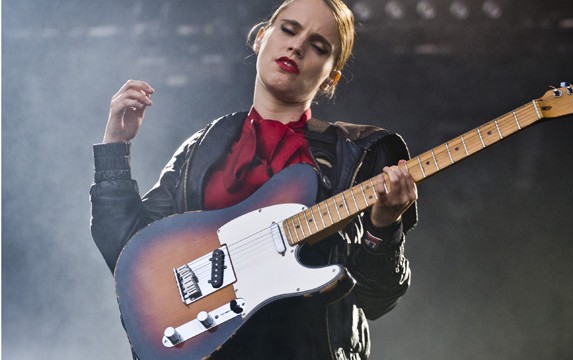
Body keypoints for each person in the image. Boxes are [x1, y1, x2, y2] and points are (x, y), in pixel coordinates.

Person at [90, 0, 418, 359]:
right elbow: (130, 254)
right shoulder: (204, 147)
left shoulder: (355, 157)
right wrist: (115, 149)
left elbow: (376, 299)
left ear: (330, 77)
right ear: (261, 38)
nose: (297, 46)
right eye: (289, 30)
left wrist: (384, 228)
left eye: (319, 46)